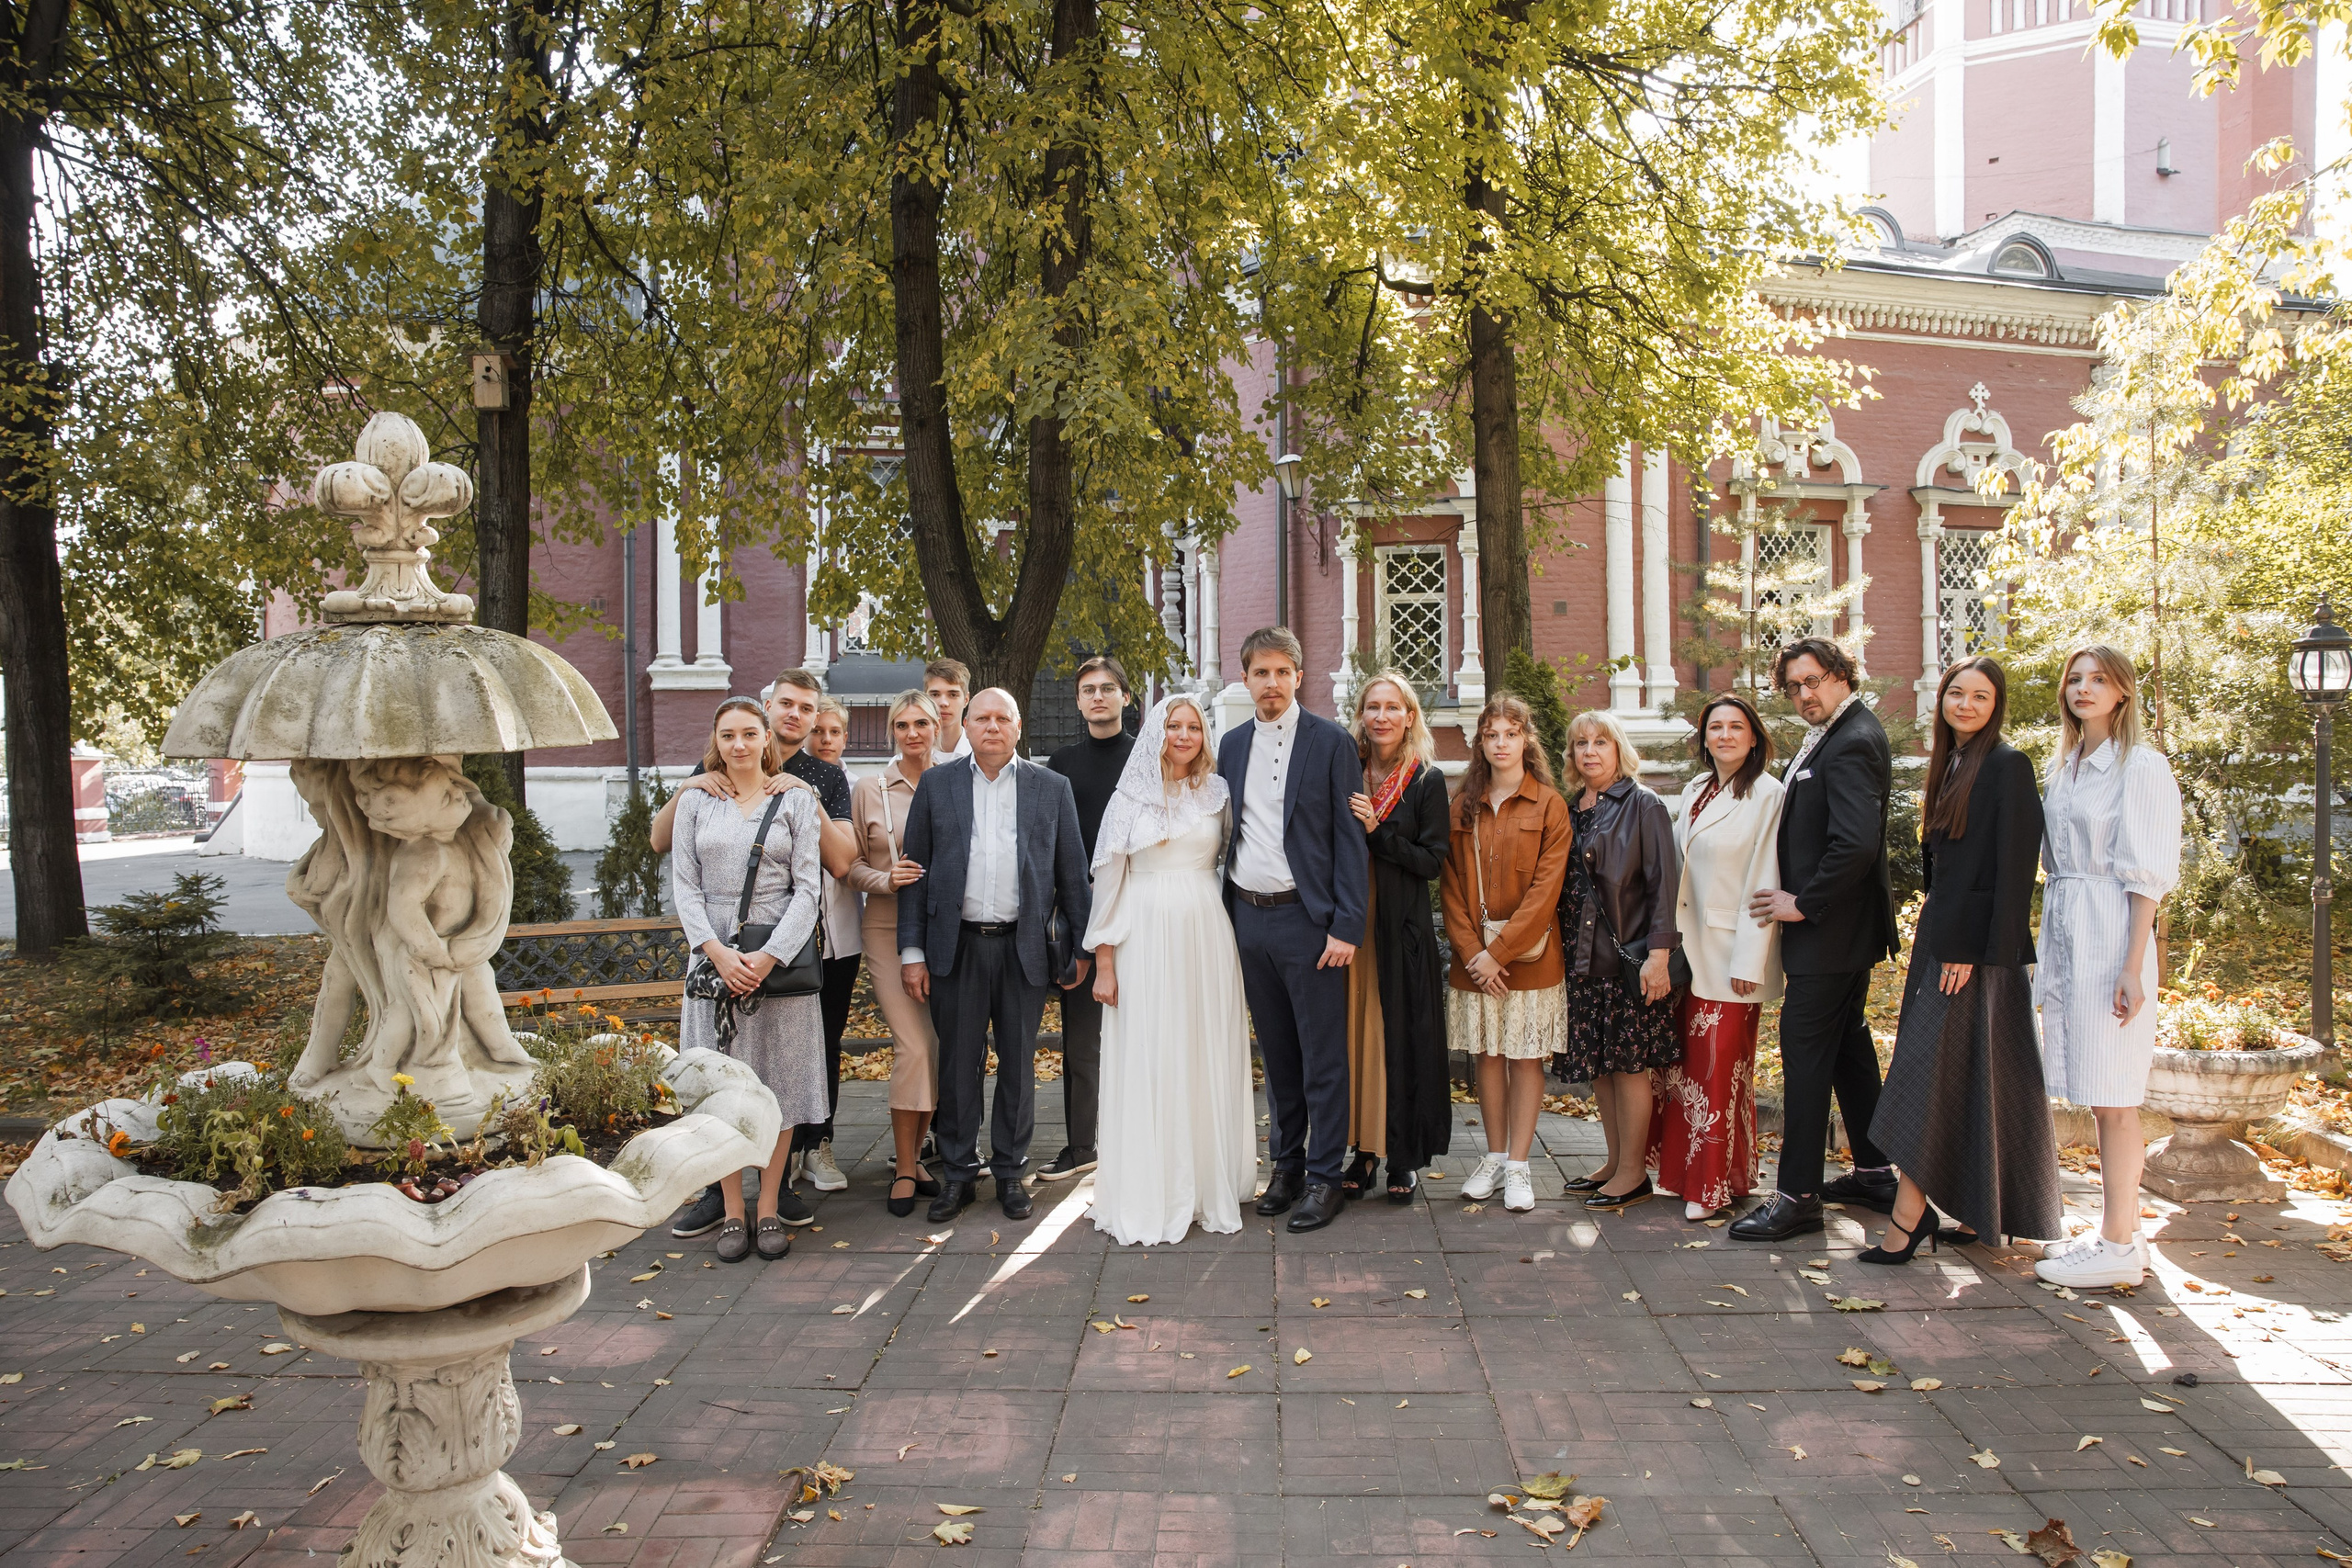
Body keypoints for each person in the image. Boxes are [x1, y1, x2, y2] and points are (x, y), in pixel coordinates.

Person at [1864, 656, 2060, 1263]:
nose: (1967, 704)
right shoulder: (1952, 763)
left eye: (1981, 696)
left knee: (1926, 1078)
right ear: (1942, 698)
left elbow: (2014, 869)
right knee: (1974, 1077)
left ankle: (1908, 1213)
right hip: (1943, 941)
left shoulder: (2007, 764)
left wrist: (1971, 949)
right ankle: (1982, 1210)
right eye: (1957, 693)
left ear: (1996, 704)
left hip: (1974, 951)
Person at [663, 669, 858, 1239]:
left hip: (780, 959)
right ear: (716, 741)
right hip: (712, 956)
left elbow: (811, 885)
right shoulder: (698, 795)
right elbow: (684, 883)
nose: (740, 744)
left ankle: (769, 1205)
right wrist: (715, 953)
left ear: (764, 738)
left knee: (778, 1083)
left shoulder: (800, 795)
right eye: (729, 735)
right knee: (719, 1084)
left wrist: (769, 957)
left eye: (749, 734)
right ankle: (727, 1211)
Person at [898, 688, 1092, 1223]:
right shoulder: (938, 786)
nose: (991, 726)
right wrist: (912, 951)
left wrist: (1080, 950)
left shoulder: (1051, 788)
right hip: (955, 947)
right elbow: (915, 874)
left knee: (1018, 1066)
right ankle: (958, 1174)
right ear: (964, 724)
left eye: (1001, 718)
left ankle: (1010, 1172)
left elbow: (1073, 875)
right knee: (958, 1066)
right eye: (980, 717)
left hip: (1023, 949)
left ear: (1017, 725)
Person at [1734, 637, 1900, 1243]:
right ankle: (1878, 1171)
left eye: (1815, 680)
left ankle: (1797, 1194)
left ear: (1842, 675)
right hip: (1842, 935)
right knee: (1851, 1051)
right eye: (1794, 686)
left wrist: (1803, 902)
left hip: (1831, 933)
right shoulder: (1836, 732)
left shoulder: (1853, 739)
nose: (1805, 694)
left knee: (1805, 1057)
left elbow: (1856, 843)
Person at [2032, 645, 2182, 1289]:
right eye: (2075, 678)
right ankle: (2116, 1229)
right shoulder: (2065, 767)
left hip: (2112, 933)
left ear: (2122, 692)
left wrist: (2132, 965)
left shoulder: (2139, 767)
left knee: (2117, 1098)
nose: (2083, 688)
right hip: (2068, 930)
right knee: (2097, 1093)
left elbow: (2146, 873)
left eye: (2098, 679)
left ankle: (2120, 1242)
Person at [1085, 694, 1257, 1244]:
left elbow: (1233, 859)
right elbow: (1108, 883)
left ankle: (1209, 1183)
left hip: (1206, 935)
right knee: (1152, 1053)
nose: (1183, 735)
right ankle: (1151, 1186)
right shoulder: (1128, 799)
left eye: (1193, 727)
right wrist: (1104, 962)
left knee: (1203, 1049)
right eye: (1172, 726)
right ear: (1155, 733)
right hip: (1144, 938)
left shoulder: (1219, 793)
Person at [1217, 626, 1370, 1235]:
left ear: (1299, 676)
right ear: (1247, 677)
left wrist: (1345, 925)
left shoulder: (1331, 743)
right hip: (1248, 920)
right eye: (1261, 673)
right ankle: (1287, 1166)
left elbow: (1348, 839)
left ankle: (1326, 1178)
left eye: (1283, 672)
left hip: (1310, 922)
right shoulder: (1229, 746)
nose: (1272, 683)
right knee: (1276, 1055)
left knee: (1322, 1056)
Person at [1650, 693, 1784, 1222]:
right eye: (1715, 727)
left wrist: (1751, 961)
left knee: (1719, 1070)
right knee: (1684, 1070)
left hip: (1733, 954)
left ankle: (1710, 1189)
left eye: (1736, 727)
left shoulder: (1768, 794)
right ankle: (1702, 1174)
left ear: (1754, 737)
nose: (1725, 735)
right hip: (1688, 949)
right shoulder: (1696, 789)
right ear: (1703, 738)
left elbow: (1766, 877)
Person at [1440, 694, 1573, 1214]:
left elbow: (1546, 890)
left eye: (1510, 734)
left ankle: (1519, 1166)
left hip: (1531, 960)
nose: (1500, 743)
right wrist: (1476, 954)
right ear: (1481, 742)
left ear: (1526, 740)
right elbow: (1449, 885)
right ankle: (1493, 1157)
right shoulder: (1462, 805)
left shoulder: (1549, 804)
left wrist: (1499, 953)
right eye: (1491, 735)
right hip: (1475, 963)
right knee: (1487, 1057)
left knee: (1524, 1056)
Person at [1556, 710, 1683, 1213]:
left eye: (1600, 742)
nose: (1590, 751)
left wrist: (1659, 956)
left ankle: (1634, 1173)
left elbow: (1662, 887)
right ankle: (1613, 1162)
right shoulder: (1571, 809)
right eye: (1580, 743)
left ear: (1618, 748)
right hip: (1581, 961)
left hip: (1627, 958)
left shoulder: (1643, 805)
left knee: (1630, 1068)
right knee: (1603, 1069)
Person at [1341, 671, 1453, 1204]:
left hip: (1399, 930)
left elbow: (1432, 862)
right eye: (1372, 707)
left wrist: (1376, 833)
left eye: (1392, 707)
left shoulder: (1425, 780)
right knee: (1353, 1039)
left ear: (1410, 716)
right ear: (1361, 715)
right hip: (1348, 925)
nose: (1381, 716)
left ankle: (1401, 1157)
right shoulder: (1348, 770)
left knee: (1398, 1041)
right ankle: (1361, 1151)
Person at [849, 691, 947, 1216]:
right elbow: (850, 867)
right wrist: (886, 879)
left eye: (922, 723)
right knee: (912, 1044)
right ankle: (905, 1166)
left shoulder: (956, 779)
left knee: (934, 1047)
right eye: (902, 725)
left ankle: (919, 1153)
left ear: (938, 726)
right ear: (892, 732)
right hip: (887, 928)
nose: (912, 733)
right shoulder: (870, 789)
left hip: (947, 931)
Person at [1041, 655, 1136, 1183]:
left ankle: (1140, 1140)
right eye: (1088, 690)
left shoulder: (1149, 757)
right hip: (1083, 913)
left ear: (1125, 696)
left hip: (1143, 910)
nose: (1098, 697)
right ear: (1078, 702)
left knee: (1145, 1028)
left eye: (1108, 688)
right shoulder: (1062, 763)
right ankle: (1082, 1146)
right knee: (1082, 1039)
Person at [792, 697, 863, 1192]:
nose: (825, 740)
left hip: (836, 936)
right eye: (819, 731)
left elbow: (845, 862)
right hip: (784, 939)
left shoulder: (844, 787)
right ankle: (784, 1147)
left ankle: (818, 1142)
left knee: (825, 1042)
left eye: (834, 731)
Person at [926, 659, 975, 759]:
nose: (943, 703)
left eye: (953, 695)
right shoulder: (904, 761)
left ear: (966, 699)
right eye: (935, 694)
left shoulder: (980, 754)